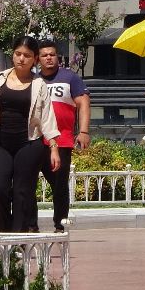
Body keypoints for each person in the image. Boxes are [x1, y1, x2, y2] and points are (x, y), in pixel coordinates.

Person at [0, 36, 61, 233]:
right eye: (18, 54)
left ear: (35, 59)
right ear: (12, 55)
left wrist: (53, 148)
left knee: (22, 193)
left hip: (29, 144)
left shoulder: (39, 84)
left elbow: (47, 119)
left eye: (27, 56)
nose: (21, 59)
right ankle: (6, 232)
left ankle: (16, 239)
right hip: (1, 143)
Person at [36, 39, 92, 233]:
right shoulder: (33, 80)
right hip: (35, 141)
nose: (49, 58)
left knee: (59, 185)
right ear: (38, 59)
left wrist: (83, 131)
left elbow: (84, 103)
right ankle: (29, 225)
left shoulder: (70, 78)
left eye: (52, 54)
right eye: (44, 55)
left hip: (62, 141)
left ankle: (60, 224)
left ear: (58, 57)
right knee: (25, 185)